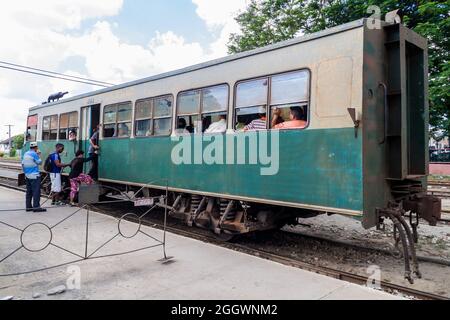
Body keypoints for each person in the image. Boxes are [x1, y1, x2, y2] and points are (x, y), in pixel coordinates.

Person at [22, 142, 46, 212]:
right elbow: (40, 162)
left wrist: (25, 173)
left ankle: (28, 207)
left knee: (29, 192)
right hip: (34, 176)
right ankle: (36, 207)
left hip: (27, 175)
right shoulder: (34, 154)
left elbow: (23, 164)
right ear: (36, 148)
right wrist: (38, 155)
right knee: (36, 192)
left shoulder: (26, 153)